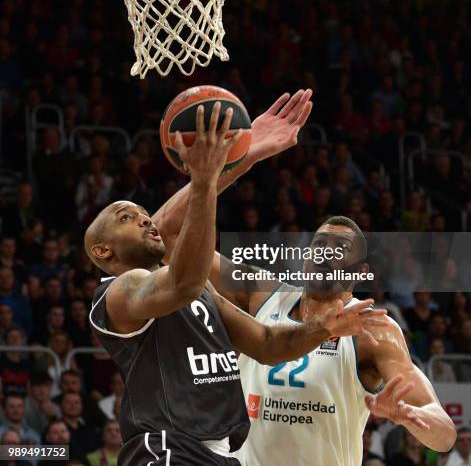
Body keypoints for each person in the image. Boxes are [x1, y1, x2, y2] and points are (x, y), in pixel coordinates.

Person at [149, 93, 456, 465]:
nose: (325, 252)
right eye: (319, 244)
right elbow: (161, 236)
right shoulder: (262, 294)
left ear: (359, 273)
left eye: (339, 248)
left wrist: (413, 416)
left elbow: (444, 435)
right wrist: (243, 158)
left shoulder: (374, 331)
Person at [87, 100, 387, 465]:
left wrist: (322, 328)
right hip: (167, 448)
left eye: (144, 214)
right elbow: (182, 275)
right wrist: (213, 173)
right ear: (103, 250)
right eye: (126, 217)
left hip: (220, 455)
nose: (146, 220)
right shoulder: (118, 291)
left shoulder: (201, 291)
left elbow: (266, 343)